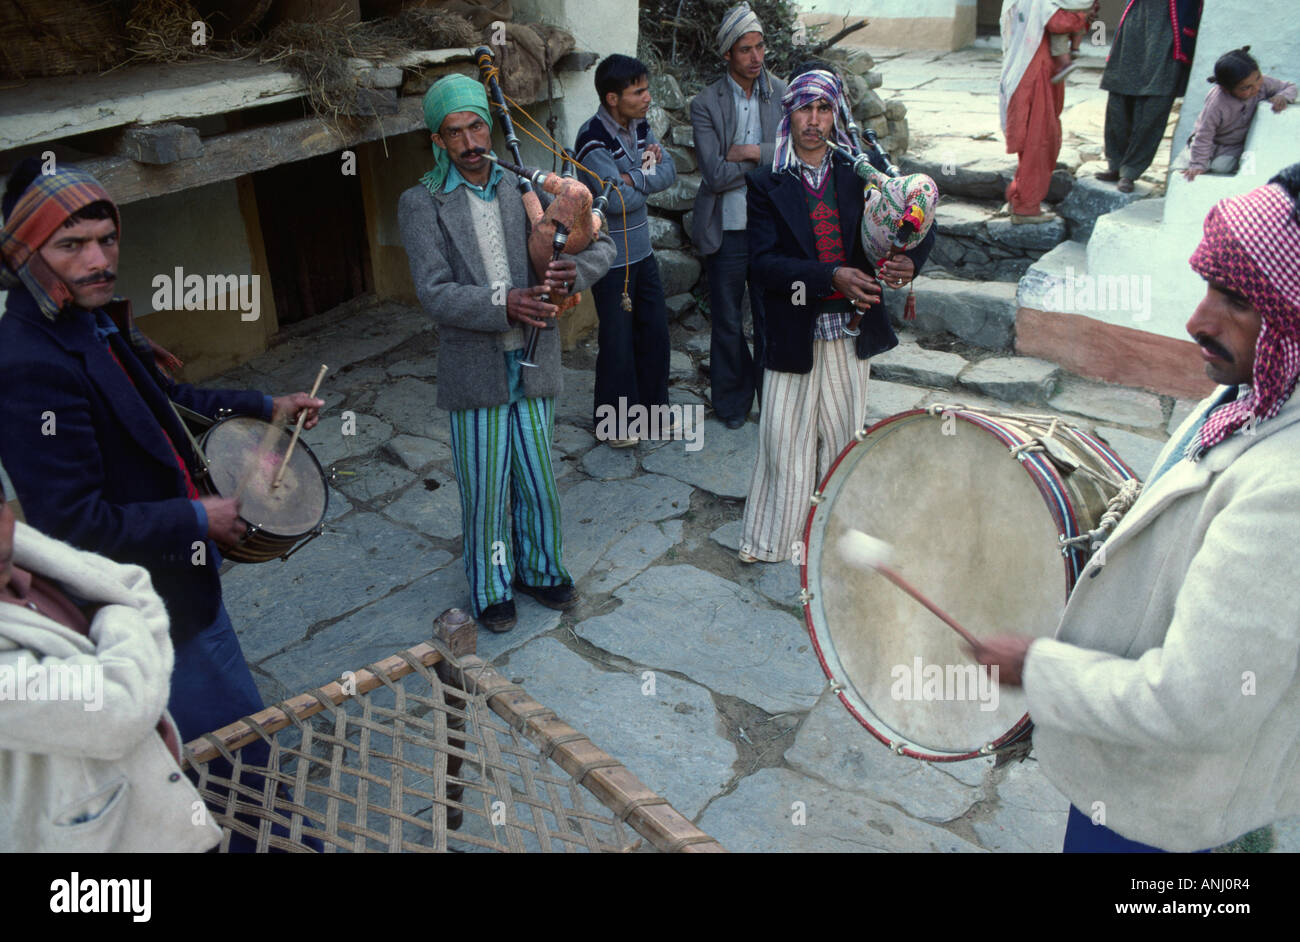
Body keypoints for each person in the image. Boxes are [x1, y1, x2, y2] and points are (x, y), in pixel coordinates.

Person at [975, 164, 1300, 853]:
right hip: (1127, 790)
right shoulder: (1257, 394)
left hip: (1165, 819)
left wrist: (1035, 668)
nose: (1197, 319)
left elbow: (1195, 704)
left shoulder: (1287, 489)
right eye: (1210, 283)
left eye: (1238, 299)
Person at [0, 163, 323, 848]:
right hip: (151, 611)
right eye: (71, 244)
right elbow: (71, 523)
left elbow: (170, 403)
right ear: (24, 255)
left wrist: (269, 406)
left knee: (241, 749)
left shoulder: (92, 322)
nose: (98, 260)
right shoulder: (28, 363)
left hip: (190, 583)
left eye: (107, 239)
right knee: (235, 769)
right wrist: (197, 519)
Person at [399, 75, 615, 633]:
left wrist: (574, 271)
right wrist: (506, 303)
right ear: (438, 142)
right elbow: (434, 292)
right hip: (476, 366)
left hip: (535, 357)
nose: (471, 142)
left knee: (538, 473)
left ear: (490, 126)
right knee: (486, 486)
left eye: (477, 126)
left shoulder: (523, 185)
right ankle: (492, 586)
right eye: (455, 133)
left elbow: (603, 241)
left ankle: (541, 570)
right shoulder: (422, 203)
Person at [739, 69, 935, 563]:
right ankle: (771, 541)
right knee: (783, 438)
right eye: (804, 109)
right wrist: (831, 276)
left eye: (823, 109)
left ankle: (832, 542)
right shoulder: (767, 180)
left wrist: (912, 259)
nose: (814, 120)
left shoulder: (860, 173)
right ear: (789, 114)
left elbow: (915, 215)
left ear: (836, 114)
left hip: (851, 328)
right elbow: (761, 265)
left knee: (844, 435)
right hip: (794, 326)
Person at [0, 484, 222, 852]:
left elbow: (133, 580)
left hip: (160, 813)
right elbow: (123, 708)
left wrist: (121, 649)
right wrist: (117, 612)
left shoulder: (19, 545)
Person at [690, 2, 788, 429]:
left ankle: (775, 402)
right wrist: (765, 164)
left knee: (772, 316)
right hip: (726, 228)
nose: (755, 57)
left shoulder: (783, 94)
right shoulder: (705, 103)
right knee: (728, 320)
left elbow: (791, 158)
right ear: (727, 53)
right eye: (745, 49)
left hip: (771, 229)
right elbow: (713, 174)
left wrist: (750, 152)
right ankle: (731, 403)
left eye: (760, 46)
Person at [575, 54, 677, 447]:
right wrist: (639, 178)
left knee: (654, 336)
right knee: (617, 342)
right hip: (611, 260)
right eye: (639, 91)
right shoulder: (591, 139)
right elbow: (612, 199)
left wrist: (631, 177)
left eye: (647, 89)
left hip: (643, 253)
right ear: (613, 98)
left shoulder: (640, 126)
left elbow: (664, 174)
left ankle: (652, 414)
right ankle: (613, 424)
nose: (648, 97)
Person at [998, 0, 1094, 223]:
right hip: (1034, 71)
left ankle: (1019, 196)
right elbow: (1057, 22)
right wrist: (1083, 15)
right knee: (1040, 142)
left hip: (1028, 69)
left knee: (1035, 141)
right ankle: (1026, 207)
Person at [1098, 0, 1204, 193]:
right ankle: (1115, 164)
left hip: (1168, 28)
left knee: (1153, 107)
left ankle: (1130, 171)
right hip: (1136, 22)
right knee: (1118, 101)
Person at [1175, 46, 1296, 181]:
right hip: (1211, 141)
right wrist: (1198, 164)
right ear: (1226, 89)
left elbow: (1290, 86)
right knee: (1188, 166)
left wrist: (1283, 96)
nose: (1256, 88)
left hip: (1233, 146)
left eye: (1258, 78)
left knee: (1221, 167)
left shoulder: (1263, 84)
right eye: (1245, 88)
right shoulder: (1217, 102)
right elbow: (1204, 134)